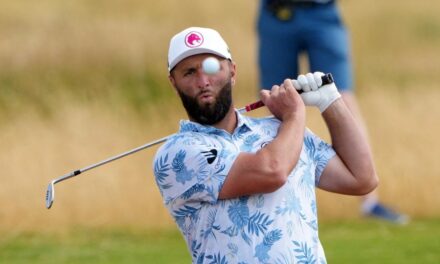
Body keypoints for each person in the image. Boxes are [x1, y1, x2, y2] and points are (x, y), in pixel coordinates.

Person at [153, 26, 378, 263]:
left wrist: (330, 101)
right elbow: (272, 171)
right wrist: (294, 115)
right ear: (174, 83)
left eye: (211, 67)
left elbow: (361, 178)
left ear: (232, 71)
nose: (203, 81)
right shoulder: (176, 155)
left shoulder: (279, 131)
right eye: (189, 73)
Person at [257, 0, 408, 224]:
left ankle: (369, 202)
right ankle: (277, 201)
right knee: (276, 99)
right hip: (276, 12)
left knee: (341, 96)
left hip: (322, 11)